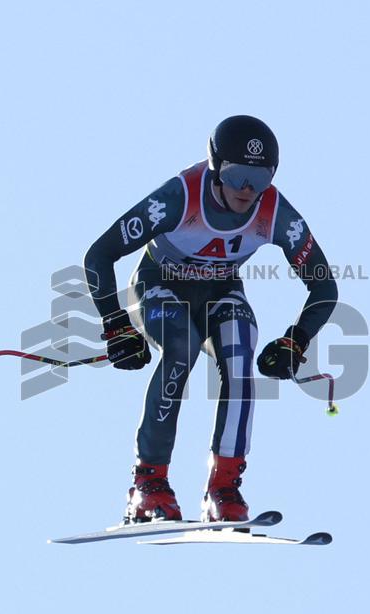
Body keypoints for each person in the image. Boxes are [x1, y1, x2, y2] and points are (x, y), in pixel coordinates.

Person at [84, 115, 338, 524]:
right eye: (237, 175)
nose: (246, 190)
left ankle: (224, 488)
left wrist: (297, 340)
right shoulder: (181, 197)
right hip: (158, 284)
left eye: (259, 179)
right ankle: (149, 483)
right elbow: (99, 254)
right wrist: (115, 324)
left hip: (220, 291)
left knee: (240, 351)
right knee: (181, 348)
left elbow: (324, 288)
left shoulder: (275, 212)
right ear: (217, 167)